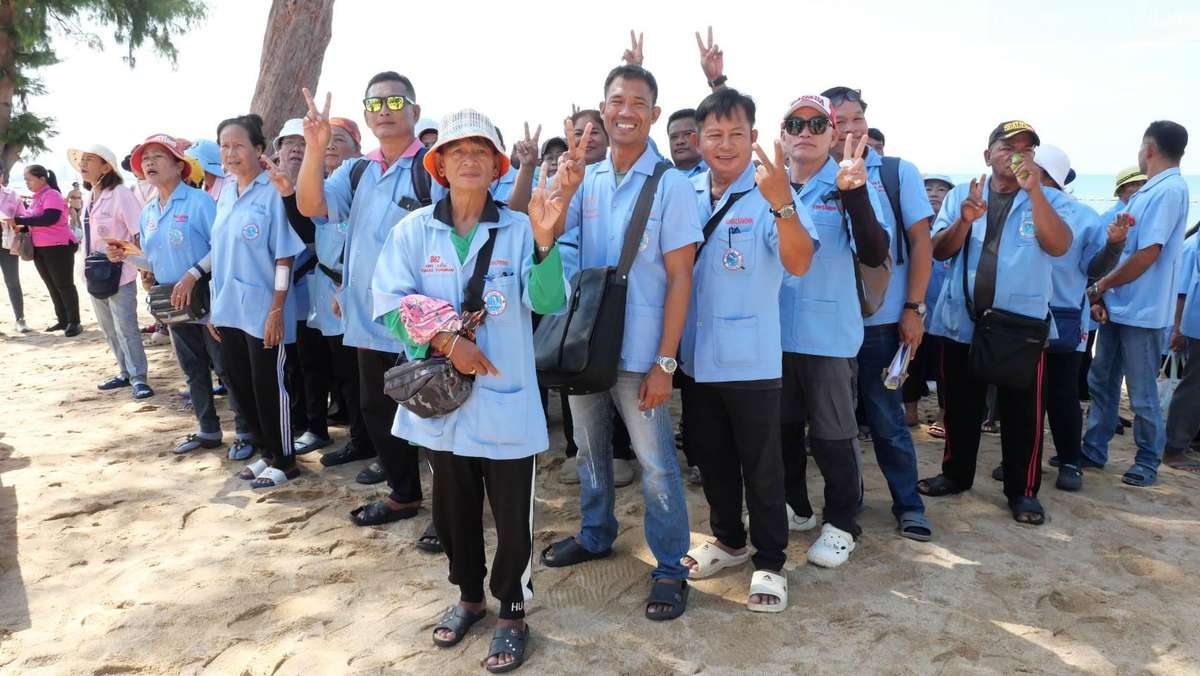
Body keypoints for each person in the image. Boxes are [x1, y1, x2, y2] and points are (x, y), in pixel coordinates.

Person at [372, 108, 566, 674]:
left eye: (482, 150)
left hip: (506, 403)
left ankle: (511, 609)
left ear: (498, 165)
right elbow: (387, 306)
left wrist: (547, 243)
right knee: (453, 510)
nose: (470, 159)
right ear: (439, 164)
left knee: (511, 516)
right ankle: (468, 597)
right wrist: (446, 339)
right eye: (458, 150)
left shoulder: (519, 227)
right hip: (439, 406)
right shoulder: (412, 231)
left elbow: (549, 302)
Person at [539, 64, 697, 622]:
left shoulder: (672, 185)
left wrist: (665, 362)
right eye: (615, 100)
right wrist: (563, 183)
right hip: (585, 345)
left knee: (655, 464)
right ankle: (596, 530)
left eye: (638, 101)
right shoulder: (589, 179)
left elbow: (681, 277)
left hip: (640, 352)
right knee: (588, 447)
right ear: (602, 111)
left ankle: (672, 566)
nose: (625, 110)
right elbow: (550, 238)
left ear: (653, 113)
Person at [677, 88, 818, 612]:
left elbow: (800, 262)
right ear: (698, 141)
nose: (725, 144)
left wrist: (782, 201)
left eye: (738, 134)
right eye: (714, 135)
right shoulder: (685, 190)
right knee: (710, 457)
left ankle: (771, 561)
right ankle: (729, 541)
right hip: (695, 357)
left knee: (762, 467)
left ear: (755, 139)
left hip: (753, 359)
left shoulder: (772, 192)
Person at [295, 72, 445, 532]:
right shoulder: (356, 170)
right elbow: (310, 205)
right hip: (366, 317)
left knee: (435, 416)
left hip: (422, 323)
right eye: (374, 104)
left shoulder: (433, 167)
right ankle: (403, 495)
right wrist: (316, 146)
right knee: (378, 410)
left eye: (394, 102)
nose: (384, 110)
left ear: (415, 112)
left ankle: (449, 512)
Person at [917, 120, 1074, 526]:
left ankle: (1023, 493)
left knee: (1023, 414)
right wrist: (965, 220)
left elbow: (1058, 245)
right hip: (961, 322)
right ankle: (955, 475)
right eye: (1008, 146)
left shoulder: (1046, 198)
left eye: (1026, 149)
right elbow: (938, 251)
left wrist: (1035, 190)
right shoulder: (961, 196)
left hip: (1019, 328)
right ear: (988, 155)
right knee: (959, 408)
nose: (1017, 154)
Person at [772, 94, 888, 565]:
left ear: (833, 134)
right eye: (795, 122)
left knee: (832, 434)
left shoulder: (849, 179)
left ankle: (842, 521)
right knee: (781, 430)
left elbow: (874, 249)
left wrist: (855, 192)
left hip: (828, 332)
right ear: (782, 133)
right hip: (774, 331)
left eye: (817, 124)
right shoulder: (769, 185)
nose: (805, 131)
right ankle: (795, 507)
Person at [823, 85, 935, 542]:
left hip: (883, 322)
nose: (849, 130)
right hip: (826, 324)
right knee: (834, 424)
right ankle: (846, 505)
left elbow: (922, 243)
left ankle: (908, 504)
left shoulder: (895, 172)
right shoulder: (810, 175)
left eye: (856, 120)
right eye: (837, 122)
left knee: (888, 419)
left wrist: (914, 307)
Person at [989, 145, 1124, 491]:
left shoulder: (1081, 216)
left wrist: (1114, 247)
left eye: (1030, 166)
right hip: (1017, 316)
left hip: (1062, 315)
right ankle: (1016, 460)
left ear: (1047, 174)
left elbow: (1093, 270)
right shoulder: (1012, 204)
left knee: (1062, 394)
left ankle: (1069, 461)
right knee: (1019, 393)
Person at [111, 133, 253, 455]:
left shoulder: (200, 202)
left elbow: (222, 247)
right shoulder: (148, 212)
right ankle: (208, 430)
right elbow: (153, 260)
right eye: (145, 159)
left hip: (208, 299)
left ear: (179, 166)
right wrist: (126, 256)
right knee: (192, 371)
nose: (149, 163)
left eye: (158, 156)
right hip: (173, 305)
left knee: (226, 368)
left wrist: (194, 274)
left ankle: (246, 432)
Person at [1083, 121, 1190, 487]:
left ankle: (1147, 459)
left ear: (1148, 149)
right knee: (1102, 380)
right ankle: (1094, 449)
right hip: (1120, 304)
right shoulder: (1149, 192)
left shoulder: (1169, 190)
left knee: (1142, 391)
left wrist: (1102, 285)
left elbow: (1149, 253)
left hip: (1142, 310)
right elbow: (1131, 247)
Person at [209, 113, 306, 488]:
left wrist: (278, 309)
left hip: (265, 309)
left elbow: (285, 256)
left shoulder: (273, 193)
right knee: (241, 384)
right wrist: (217, 306)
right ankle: (266, 453)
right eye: (225, 146)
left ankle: (285, 459)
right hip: (229, 308)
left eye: (238, 145)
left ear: (260, 150)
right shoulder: (225, 192)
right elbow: (220, 252)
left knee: (269, 386)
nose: (231, 153)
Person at [312, 116, 376, 471]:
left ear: (357, 146)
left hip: (357, 292)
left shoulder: (364, 177)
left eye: (339, 139)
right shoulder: (323, 185)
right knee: (345, 373)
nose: (331, 146)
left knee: (365, 378)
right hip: (329, 290)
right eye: (327, 140)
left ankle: (372, 444)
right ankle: (360, 439)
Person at [68, 144, 154, 399]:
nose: (84, 164)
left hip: (120, 272)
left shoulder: (120, 194)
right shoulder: (90, 196)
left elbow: (139, 232)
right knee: (108, 328)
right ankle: (124, 372)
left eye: (90, 159)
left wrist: (143, 266)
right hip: (93, 273)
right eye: (82, 160)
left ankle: (139, 377)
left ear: (106, 167)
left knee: (126, 326)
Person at [904, 174, 956, 435]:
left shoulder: (956, 225)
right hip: (918, 307)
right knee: (912, 360)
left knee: (945, 364)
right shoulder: (912, 223)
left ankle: (944, 415)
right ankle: (910, 411)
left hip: (947, 310)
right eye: (928, 188)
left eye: (941, 189)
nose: (934, 193)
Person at [10, 166, 80, 335]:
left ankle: (74, 322)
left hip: (58, 246)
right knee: (51, 285)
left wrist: (18, 219)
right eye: (25, 180)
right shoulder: (36, 198)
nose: (27, 183)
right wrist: (20, 225)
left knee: (64, 284)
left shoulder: (52, 195)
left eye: (29, 179)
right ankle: (62, 320)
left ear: (42, 179)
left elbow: (50, 218)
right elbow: (32, 221)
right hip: (40, 247)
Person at [1164, 227, 1200, 471]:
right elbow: (1182, 292)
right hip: (1196, 322)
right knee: (1194, 387)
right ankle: (1174, 448)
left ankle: (1183, 442)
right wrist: (1177, 329)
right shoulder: (1192, 245)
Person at [0, 166, 27, 332]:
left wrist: (14, 223)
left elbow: (23, 219)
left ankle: (20, 319)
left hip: (8, 243)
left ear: (2, 175)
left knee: (13, 281)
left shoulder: (13, 195)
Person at [666, 108, 706, 176]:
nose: (680, 141)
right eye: (674, 137)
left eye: (687, 134)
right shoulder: (662, 178)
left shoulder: (717, 172)